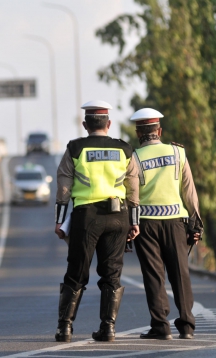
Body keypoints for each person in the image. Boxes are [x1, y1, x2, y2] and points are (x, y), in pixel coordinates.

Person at [53, 100, 140, 343]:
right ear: (109, 124)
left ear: (85, 124)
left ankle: (65, 328)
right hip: (118, 217)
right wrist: (134, 222)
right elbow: (133, 189)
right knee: (112, 273)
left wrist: (60, 221)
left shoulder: (75, 148)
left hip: (86, 217)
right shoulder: (125, 150)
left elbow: (63, 189)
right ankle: (108, 328)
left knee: (77, 272)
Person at [129, 108, 203, 340]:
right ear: (159, 131)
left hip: (146, 223)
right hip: (176, 222)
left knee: (154, 274)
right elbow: (189, 191)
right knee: (180, 272)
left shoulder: (134, 158)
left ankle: (161, 326)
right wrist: (196, 223)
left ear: (138, 133)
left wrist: (130, 224)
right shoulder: (178, 153)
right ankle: (187, 325)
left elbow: (131, 195)